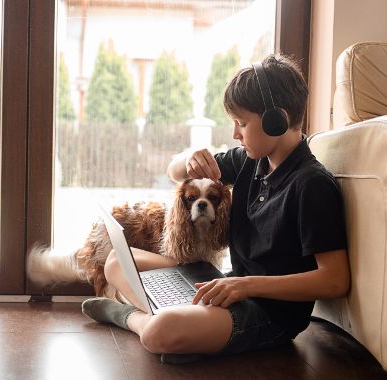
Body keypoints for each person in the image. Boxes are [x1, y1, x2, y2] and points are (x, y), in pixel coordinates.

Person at [80, 54, 350, 360]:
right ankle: (182, 321)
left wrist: (247, 286)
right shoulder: (249, 161)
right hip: (231, 286)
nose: (235, 133)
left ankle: (131, 316)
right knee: (116, 260)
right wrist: (188, 159)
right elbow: (175, 172)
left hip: (268, 314)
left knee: (159, 333)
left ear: (278, 120)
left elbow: (335, 280)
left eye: (242, 123)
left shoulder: (311, 185)